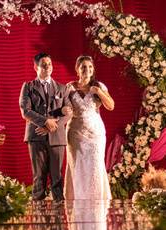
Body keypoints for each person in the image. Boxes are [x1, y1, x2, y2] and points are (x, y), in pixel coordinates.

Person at [19, 53, 71, 201]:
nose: (48, 66)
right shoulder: (28, 87)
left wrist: (51, 125)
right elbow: (26, 111)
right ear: (35, 67)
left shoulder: (62, 88)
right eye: (44, 64)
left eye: (49, 63)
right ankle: (38, 217)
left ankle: (59, 218)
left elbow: (68, 112)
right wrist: (44, 121)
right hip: (36, 136)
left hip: (57, 137)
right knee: (38, 178)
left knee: (57, 178)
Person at [64, 55, 114, 200]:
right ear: (77, 69)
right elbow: (64, 108)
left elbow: (111, 106)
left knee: (94, 167)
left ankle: (96, 204)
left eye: (90, 67)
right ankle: (77, 204)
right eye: (83, 67)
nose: (87, 70)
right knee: (77, 167)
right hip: (75, 133)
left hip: (95, 135)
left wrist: (98, 92)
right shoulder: (70, 87)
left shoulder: (99, 86)